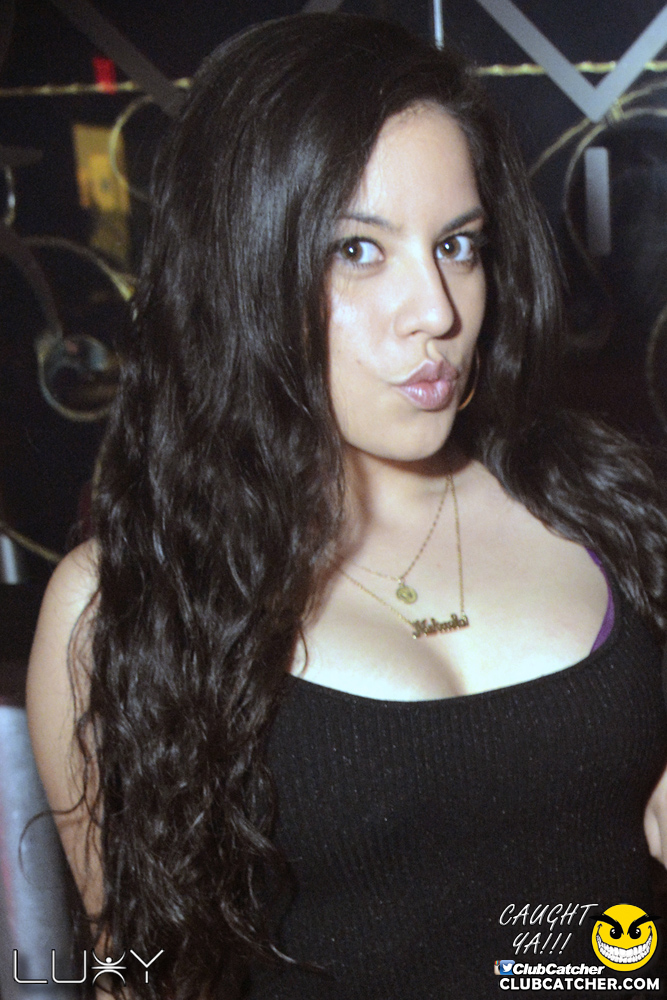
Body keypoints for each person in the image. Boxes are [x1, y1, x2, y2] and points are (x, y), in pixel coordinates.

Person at [26, 12, 667, 999]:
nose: (437, 310)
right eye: (357, 251)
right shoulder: (128, 602)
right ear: (241, 265)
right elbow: (139, 975)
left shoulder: (604, 509)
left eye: (458, 244)